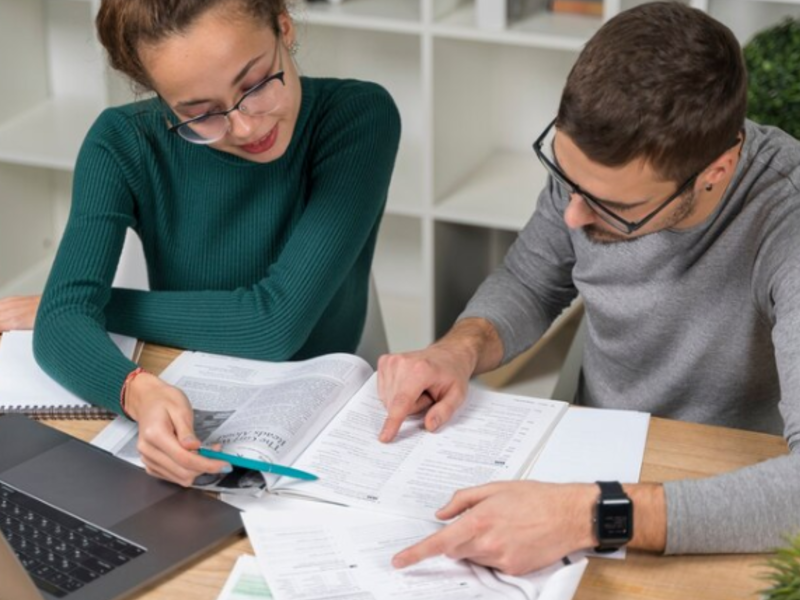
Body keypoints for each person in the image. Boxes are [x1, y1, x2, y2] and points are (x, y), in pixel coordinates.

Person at [377, 1, 800, 576]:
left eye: (612, 206)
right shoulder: (593, 175)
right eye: (566, 180)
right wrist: (461, 348)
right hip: (587, 465)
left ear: (715, 173)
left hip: (718, 497)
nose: (573, 215)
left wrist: (594, 516)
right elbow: (530, 280)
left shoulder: (788, 218)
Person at [0, 0, 400, 487]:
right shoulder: (122, 142)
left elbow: (273, 326)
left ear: (284, 28)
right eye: (200, 114)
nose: (246, 126)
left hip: (322, 415)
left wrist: (94, 307)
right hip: (191, 388)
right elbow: (60, 325)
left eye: (254, 85)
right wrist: (136, 391)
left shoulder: (357, 117)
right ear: (162, 98)